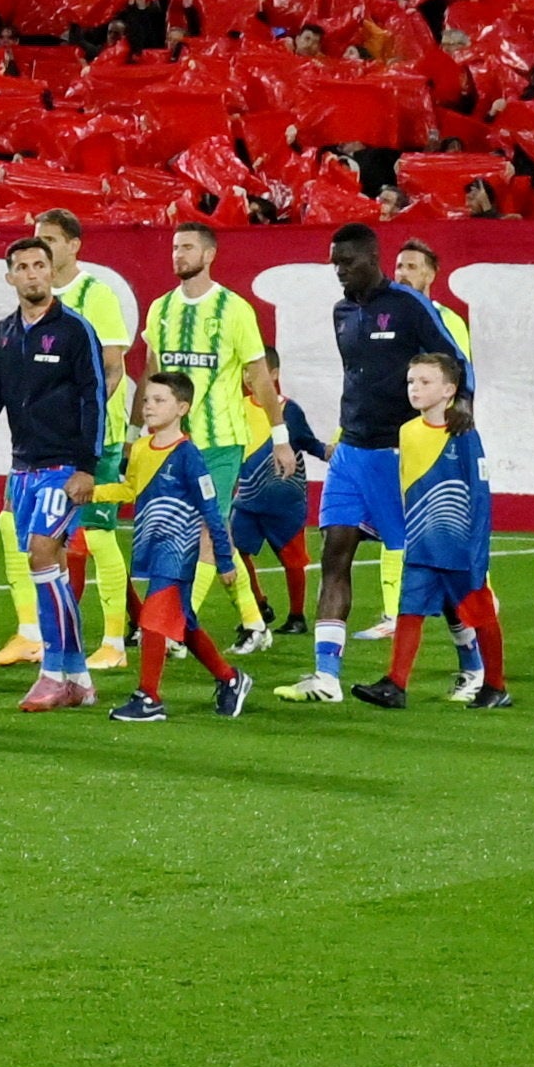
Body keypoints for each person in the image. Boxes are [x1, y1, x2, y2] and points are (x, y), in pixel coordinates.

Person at [290, 222, 461, 705]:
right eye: (334, 263)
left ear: (371, 257)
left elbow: (454, 362)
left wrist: (456, 416)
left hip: (397, 453)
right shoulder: (342, 312)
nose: (339, 271)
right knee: (335, 552)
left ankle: (473, 664)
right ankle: (326, 676)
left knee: (430, 563)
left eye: (346, 262)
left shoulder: (408, 306)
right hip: (351, 451)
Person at [0, 230, 113, 714]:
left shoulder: (75, 330)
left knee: (42, 554)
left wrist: (87, 467)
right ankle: (78, 678)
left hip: (63, 467)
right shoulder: (4, 333)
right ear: (10, 277)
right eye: (23, 268)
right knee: (50, 571)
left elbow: (94, 398)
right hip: (24, 467)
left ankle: (52, 673)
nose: (32, 275)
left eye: (39, 266)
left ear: (52, 272)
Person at [21, 210, 145, 673]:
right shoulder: (40, 300)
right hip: (48, 444)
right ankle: (46, 635)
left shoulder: (98, 295)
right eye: (38, 239)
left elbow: (112, 368)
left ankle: (114, 640)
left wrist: (80, 421)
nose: (43, 248)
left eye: (51, 240)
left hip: (96, 438)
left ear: (74, 245)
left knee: (96, 533)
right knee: (47, 539)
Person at [90, 374, 252, 724]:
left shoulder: (189, 455)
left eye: (159, 400)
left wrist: (224, 560)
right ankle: (230, 678)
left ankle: (149, 697)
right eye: (147, 399)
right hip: (152, 548)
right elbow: (130, 490)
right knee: (184, 623)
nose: (148, 406)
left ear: (182, 408)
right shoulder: (141, 449)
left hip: (179, 552)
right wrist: (92, 493)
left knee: (152, 619)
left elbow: (211, 510)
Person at [142, 221, 272, 655]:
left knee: (200, 533)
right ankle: (254, 622)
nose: (178, 254)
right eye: (175, 247)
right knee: (207, 535)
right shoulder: (160, 309)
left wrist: (281, 436)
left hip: (221, 442)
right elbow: (152, 371)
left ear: (209, 254)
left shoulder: (234, 309)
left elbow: (259, 376)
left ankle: (175, 626)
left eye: (188, 247)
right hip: (177, 444)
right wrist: (141, 428)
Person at [381, 350, 509, 711]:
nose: (415, 388)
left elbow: (479, 496)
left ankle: (496, 686)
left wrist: (478, 554)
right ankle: (395, 684)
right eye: (411, 381)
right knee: (409, 611)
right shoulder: (407, 432)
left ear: (449, 390)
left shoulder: (464, 435)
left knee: (480, 616)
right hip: (421, 545)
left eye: (425, 382)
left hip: (458, 549)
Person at [221, 350, 329, 640]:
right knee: (235, 550)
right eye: (245, 371)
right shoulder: (236, 407)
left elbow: (307, 442)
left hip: (285, 501)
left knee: (292, 560)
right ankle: (258, 604)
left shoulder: (290, 410)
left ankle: (297, 616)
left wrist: (328, 452)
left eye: (255, 371)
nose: (249, 377)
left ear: (274, 374)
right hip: (246, 499)